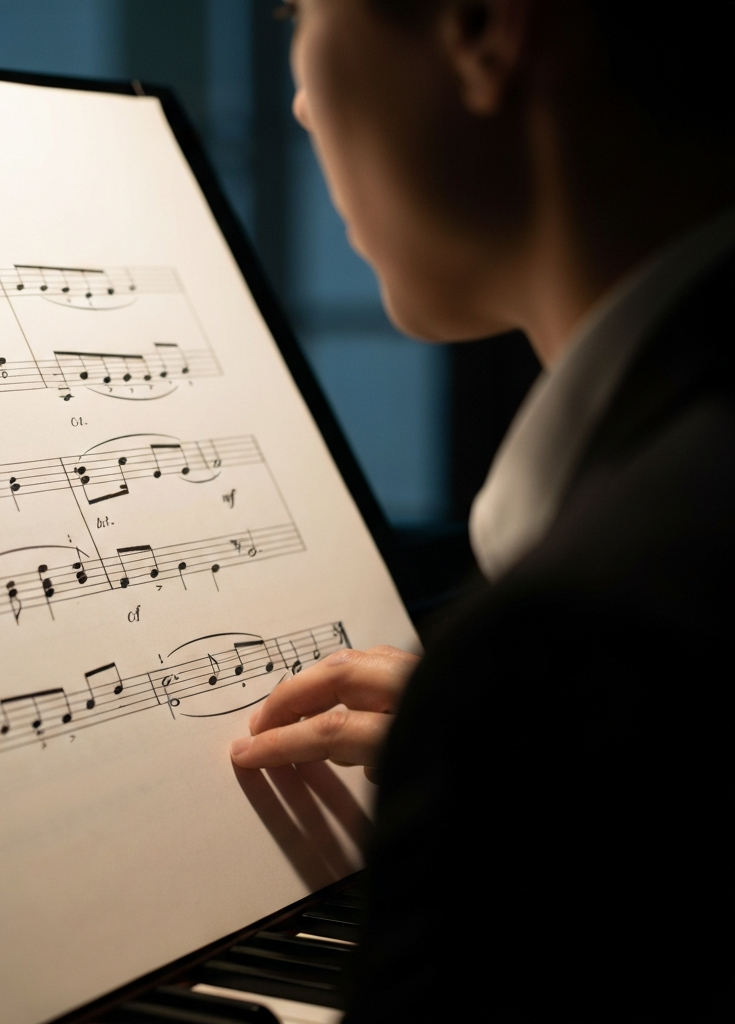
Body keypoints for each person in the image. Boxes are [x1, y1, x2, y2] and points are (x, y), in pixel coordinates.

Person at [230, 1, 735, 1019]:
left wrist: (524, 749)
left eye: (301, 15)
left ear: (482, 34)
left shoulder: (597, 642)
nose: (296, 97)